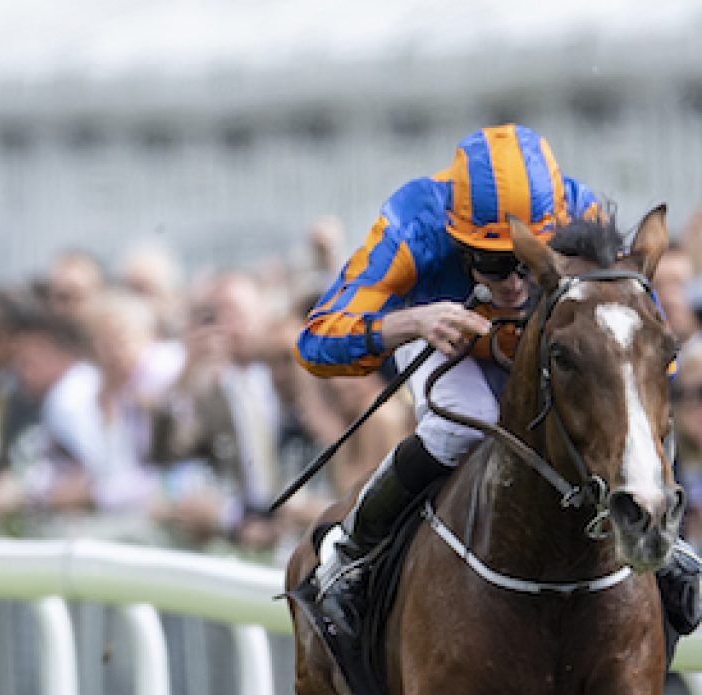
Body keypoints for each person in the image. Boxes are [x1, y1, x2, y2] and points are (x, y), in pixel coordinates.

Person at [296, 124, 702, 642]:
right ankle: (351, 553)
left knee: (617, 398)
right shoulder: (414, 222)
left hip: (551, 340)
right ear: (458, 240)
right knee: (469, 427)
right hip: (448, 336)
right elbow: (316, 342)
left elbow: (646, 345)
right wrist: (413, 322)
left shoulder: (581, 212)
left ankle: (665, 538)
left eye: (525, 262)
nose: (512, 283)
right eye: (491, 263)